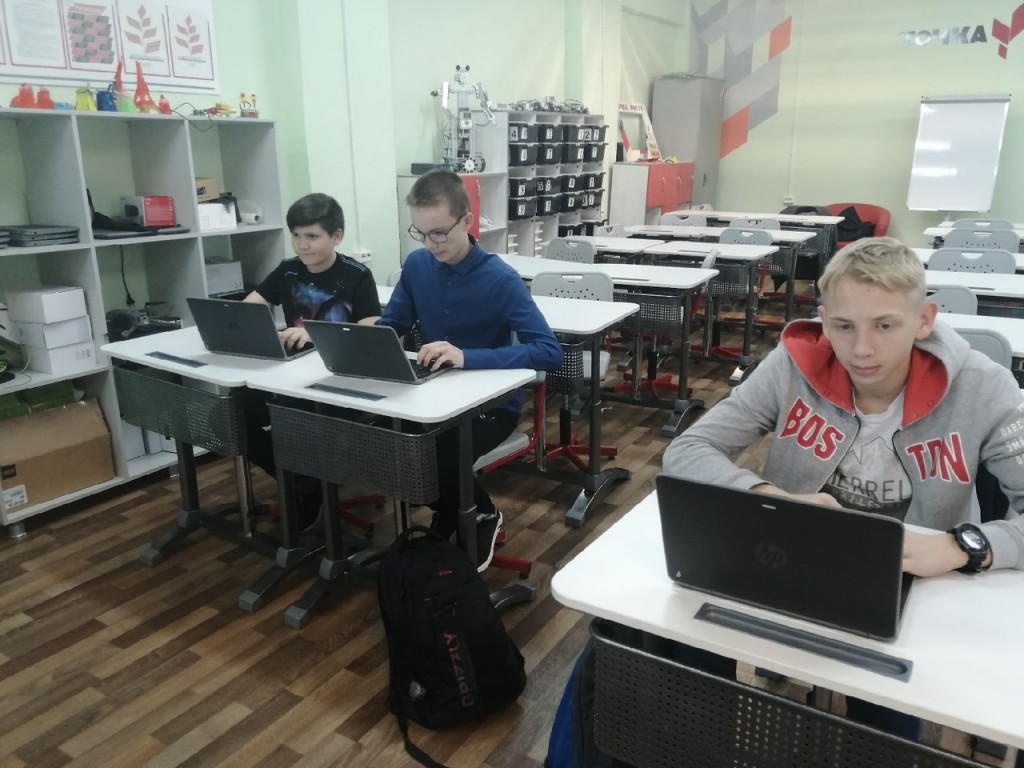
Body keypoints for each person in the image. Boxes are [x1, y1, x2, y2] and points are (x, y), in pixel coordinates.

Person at [663, 236, 1024, 738]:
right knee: (683, 645)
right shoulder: (794, 364)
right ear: (823, 319)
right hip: (792, 558)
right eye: (844, 326)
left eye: (885, 325)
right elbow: (688, 449)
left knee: (890, 724)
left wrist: (963, 546)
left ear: (923, 320)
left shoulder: (986, 388)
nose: (861, 349)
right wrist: (771, 501)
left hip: (916, 582)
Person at [378, 169, 563, 571]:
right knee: (381, 437)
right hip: (430, 395)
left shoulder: (500, 279)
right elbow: (392, 324)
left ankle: (481, 512)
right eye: (421, 234)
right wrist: (362, 342)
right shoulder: (418, 265)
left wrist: (467, 357)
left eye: (440, 233)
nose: (431, 244)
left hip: (489, 407)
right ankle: (450, 512)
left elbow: (549, 352)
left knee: (437, 450)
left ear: (467, 220)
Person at [243, 192, 381, 529]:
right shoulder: (288, 270)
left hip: (338, 377)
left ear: (336, 236)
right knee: (237, 411)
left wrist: (316, 336)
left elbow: (371, 336)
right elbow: (250, 308)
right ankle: (299, 481)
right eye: (296, 235)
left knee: (303, 420)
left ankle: (310, 485)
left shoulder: (356, 275)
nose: (302, 245)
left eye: (312, 236)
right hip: (291, 373)